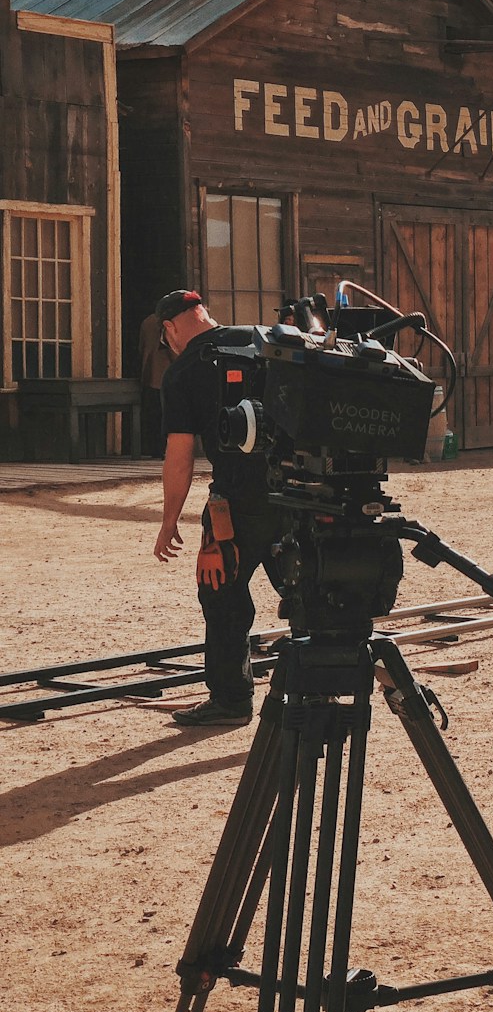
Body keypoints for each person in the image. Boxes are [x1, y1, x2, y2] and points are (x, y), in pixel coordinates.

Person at [153, 290, 282, 724]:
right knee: (311, 593)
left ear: (170, 329)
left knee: (222, 597)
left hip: (236, 505)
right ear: (203, 313)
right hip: (298, 495)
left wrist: (170, 520)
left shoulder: (183, 372)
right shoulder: (265, 340)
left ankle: (230, 701)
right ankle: (322, 689)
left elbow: (180, 456)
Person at [137, 303, 173, 456]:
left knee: (153, 414)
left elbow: (142, 347)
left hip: (150, 372)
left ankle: (154, 449)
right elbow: (173, 349)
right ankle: (165, 449)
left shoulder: (147, 322)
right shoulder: (170, 324)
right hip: (168, 373)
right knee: (167, 414)